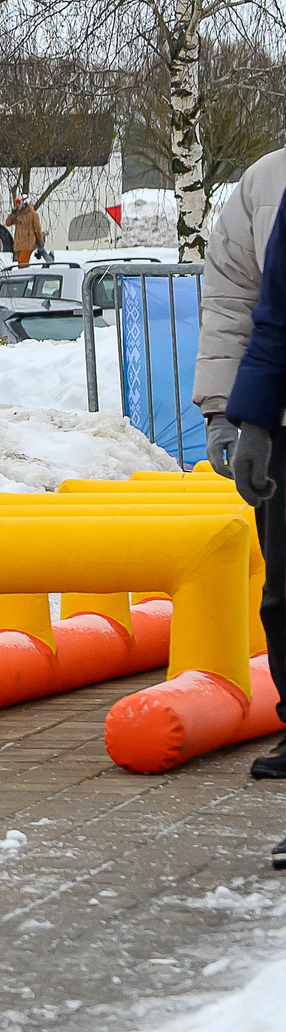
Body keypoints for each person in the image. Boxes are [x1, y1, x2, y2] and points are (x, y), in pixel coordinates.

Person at [200, 148, 286, 780]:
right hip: (277, 422)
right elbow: (239, 306)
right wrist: (225, 413)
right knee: (281, 592)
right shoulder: (266, 180)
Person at [9, 193, 45, 265]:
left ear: (25, 203)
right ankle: (24, 274)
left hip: (28, 243)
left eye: (19, 203)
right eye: (17, 203)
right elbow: (8, 222)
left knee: (22, 263)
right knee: (21, 262)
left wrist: (41, 241)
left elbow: (37, 229)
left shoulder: (32, 214)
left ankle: (24, 275)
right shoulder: (18, 214)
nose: (17, 205)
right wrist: (13, 213)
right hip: (19, 244)